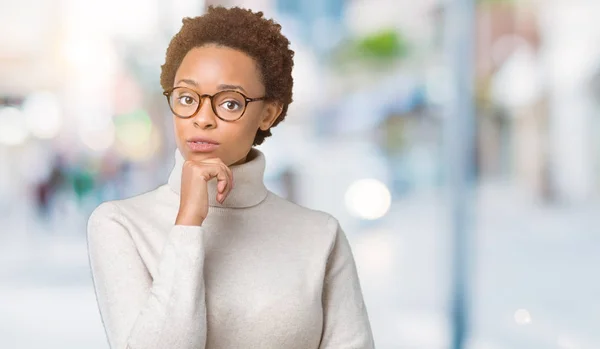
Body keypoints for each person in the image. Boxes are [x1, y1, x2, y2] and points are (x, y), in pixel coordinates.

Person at [86, 6, 374, 349]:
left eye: (230, 103)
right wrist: (189, 222)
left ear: (268, 113)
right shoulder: (119, 225)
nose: (203, 119)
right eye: (187, 98)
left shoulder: (321, 236)